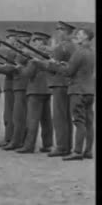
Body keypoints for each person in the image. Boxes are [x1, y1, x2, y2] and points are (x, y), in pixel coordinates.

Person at [41, 28, 95, 161]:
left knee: (79, 122)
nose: (77, 36)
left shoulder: (79, 52)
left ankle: (77, 152)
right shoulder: (92, 52)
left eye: (81, 34)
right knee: (88, 123)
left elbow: (69, 72)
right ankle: (88, 151)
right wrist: (67, 65)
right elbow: (82, 69)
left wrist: (54, 65)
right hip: (89, 90)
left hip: (77, 90)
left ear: (86, 37)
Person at [15, 32, 53, 154]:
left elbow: (27, 74)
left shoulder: (35, 57)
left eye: (37, 40)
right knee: (46, 119)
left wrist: (19, 68)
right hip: (47, 89)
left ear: (41, 42)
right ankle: (48, 144)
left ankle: (29, 145)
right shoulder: (49, 54)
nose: (35, 42)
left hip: (35, 90)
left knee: (32, 119)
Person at [45, 21, 77, 157]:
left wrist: (47, 64)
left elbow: (53, 67)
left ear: (65, 31)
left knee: (59, 117)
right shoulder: (74, 46)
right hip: (69, 84)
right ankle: (67, 146)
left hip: (59, 83)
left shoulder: (61, 47)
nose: (58, 32)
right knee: (66, 117)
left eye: (60, 30)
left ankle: (61, 147)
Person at [0, 29, 18, 147]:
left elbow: (10, 68)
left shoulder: (12, 52)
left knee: (9, 113)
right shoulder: (15, 51)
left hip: (11, 85)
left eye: (10, 38)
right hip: (14, 86)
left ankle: (9, 138)